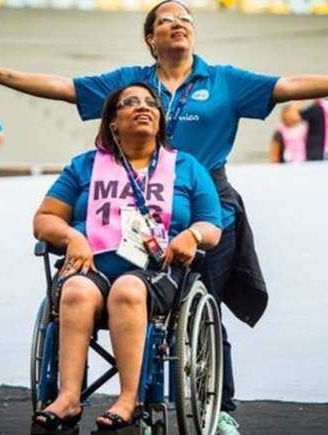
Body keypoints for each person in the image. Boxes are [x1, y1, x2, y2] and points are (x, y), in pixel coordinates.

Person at [0, 2, 328, 431]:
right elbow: (65, 88)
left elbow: (286, 87)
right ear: (151, 38)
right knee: (110, 294)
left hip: (201, 201)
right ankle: (114, 398)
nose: (178, 22)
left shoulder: (223, 80)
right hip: (132, 205)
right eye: (166, 19)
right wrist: (2, 76)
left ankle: (220, 409)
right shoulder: (131, 84)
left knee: (202, 304)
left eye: (185, 17)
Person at [31, 83, 222, 432]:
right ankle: (69, 396)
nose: (143, 107)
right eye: (130, 103)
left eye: (151, 103)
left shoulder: (187, 167)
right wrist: (73, 236)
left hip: (157, 272)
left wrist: (192, 235)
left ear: (161, 119)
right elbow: (43, 220)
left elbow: (212, 225)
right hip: (92, 266)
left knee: (128, 290)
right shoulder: (84, 166)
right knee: (74, 291)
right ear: (113, 122)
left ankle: (129, 399)